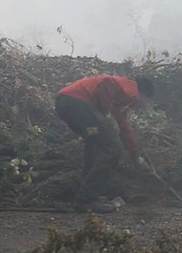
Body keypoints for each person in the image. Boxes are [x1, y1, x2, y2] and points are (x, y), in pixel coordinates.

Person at [55, 74, 155, 211]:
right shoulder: (131, 88)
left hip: (65, 105)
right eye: (147, 102)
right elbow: (108, 83)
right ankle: (86, 199)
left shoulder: (120, 103)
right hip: (78, 104)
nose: (145, 106)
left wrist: (137, 157)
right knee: (113, 148)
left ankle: (87, 194)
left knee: (95, 143)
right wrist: (106, 114)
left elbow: (125, 130)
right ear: (143, 95)